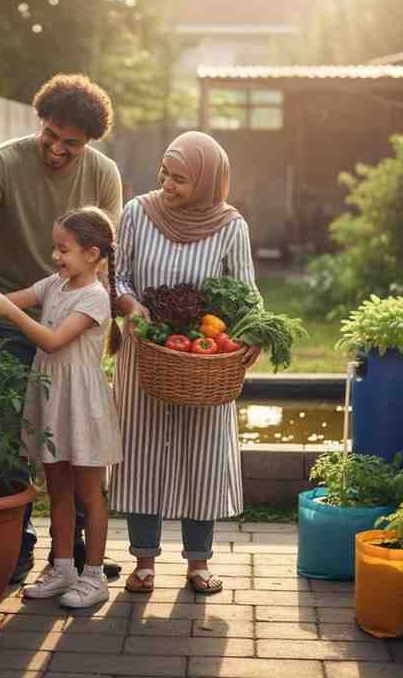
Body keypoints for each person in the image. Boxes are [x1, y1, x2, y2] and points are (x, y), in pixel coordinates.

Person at [0, 74, 123, 583]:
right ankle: (15, 546)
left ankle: (78, 553)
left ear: (88, 144)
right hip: (7, 311)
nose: (58, 149)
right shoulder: (4, 160)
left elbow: (103, 255)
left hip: (68, 317)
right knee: (8, 432)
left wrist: (101, 318)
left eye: (73, 143)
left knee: (74, 436)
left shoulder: (104, 174)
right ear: (40, 120)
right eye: (51, 134)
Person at [108, 131, 262, 595]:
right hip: (146, 352)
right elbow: (117, 277)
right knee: (141, 453)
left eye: (180, 178)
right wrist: (131, 307)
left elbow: (247, 292)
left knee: (204, 456)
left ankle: (198, 563)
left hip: (205, 362)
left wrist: (252, 331)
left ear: (207, 181)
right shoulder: (137, 213)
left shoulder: (231, 225)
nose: (167, 184)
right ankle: (144, 562)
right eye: (164, 173)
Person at [0, 207, 123, 608]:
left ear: (92, 254)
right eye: (55, 248)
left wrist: (10, 312)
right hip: (52, 398)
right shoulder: (55, 283)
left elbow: (53, 341)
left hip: (82, 403)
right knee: (58, 488)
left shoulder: (94, 297)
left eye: (64, 249)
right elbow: (2, 301)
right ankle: (62, 569)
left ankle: (93, 577)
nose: (56, 257)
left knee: (88, 494)